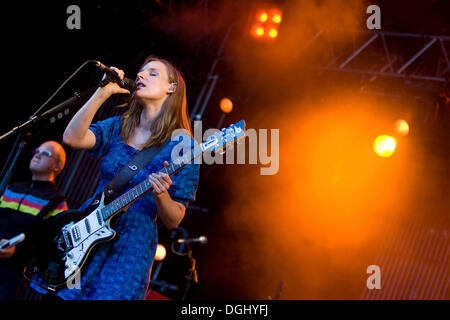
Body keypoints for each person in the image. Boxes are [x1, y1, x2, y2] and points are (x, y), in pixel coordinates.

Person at [33, 55, 200, 300]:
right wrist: (103, 92)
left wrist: (161, 194)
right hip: (87, 232)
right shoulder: (120, 126)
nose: (141, 75)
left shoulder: (183, 144)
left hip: (129, 248)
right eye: (141, 72)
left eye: (153, 73)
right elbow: (72, 138)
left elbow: (174, 219)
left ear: (171, 87)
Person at [0, 140, 68, 300]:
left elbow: (49, 250)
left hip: (12, 275)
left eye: (45, 153)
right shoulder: (11, 188)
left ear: (57, 167)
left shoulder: (57, 202)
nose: (37, 154)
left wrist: (16, 251)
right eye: (37, 150)